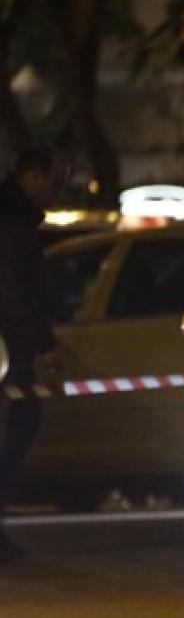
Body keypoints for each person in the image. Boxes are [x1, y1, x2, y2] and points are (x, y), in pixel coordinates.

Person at [0, 142, 69, 561]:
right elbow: (9, 291)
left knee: (21, 424)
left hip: (13, 345)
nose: (58, 192)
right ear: (33, 176)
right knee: (18, 424)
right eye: (55, 182)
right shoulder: (10, 222)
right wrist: (43, 340)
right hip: (9, 348)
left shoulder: (17, 219)